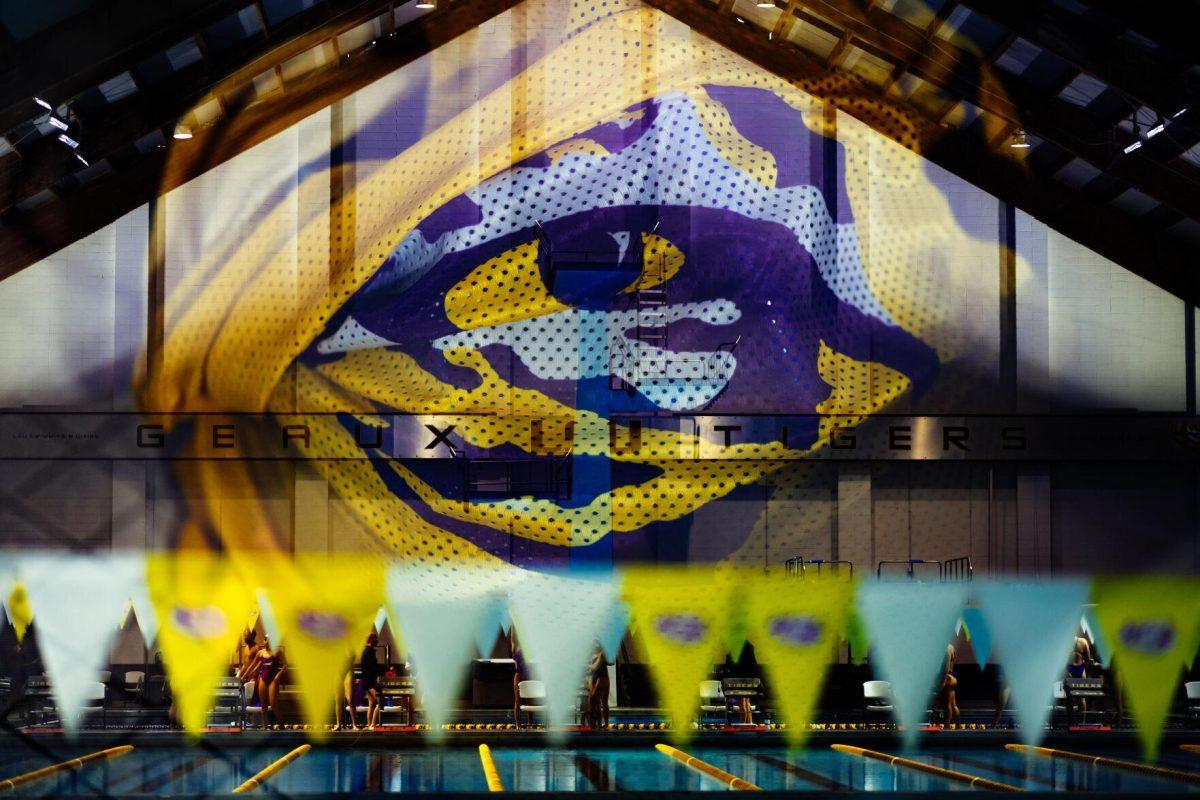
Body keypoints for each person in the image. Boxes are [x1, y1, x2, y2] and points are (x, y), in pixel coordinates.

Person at [240, 635, 286, 729]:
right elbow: (252, 666)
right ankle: (265, 727)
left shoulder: (278, 652)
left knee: (273, 704)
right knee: (263, 705)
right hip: (263, 679)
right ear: (264, 641)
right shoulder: (260, 653)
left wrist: (278, 676)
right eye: (265, 640)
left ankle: (282, 722)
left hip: (273, 679)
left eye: (269, 640)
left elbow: (286, 666)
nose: (267, 642)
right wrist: (242, 677)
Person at [360, 632, 382, 730]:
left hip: (367, 681)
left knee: (371, 704)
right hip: (370, 682)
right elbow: (371, 669)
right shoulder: (369, 652)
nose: (377, 642)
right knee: (380, 702)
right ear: (371, 641)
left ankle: (369, 725)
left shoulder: (368, 651)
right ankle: (372, 724)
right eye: (376, 640)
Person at [586, 643, 610, 729]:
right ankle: (598, 724)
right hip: (595, 678)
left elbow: (595, 667)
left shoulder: (602, 654)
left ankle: (604, 724)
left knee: (603, 702)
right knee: (595, 703)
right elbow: (591, 670)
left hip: (601, 679)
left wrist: (586, 665)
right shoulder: (592, 655)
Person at [939, 644, 960, 726]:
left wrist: (943, 681)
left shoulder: (946, 648)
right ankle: (958, 725)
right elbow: (952, 662)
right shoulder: (952, 647)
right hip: (952, 676)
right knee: (953, 704)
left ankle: (947, 725)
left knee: (948, 705)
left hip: (948, 677)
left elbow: (946, 667)